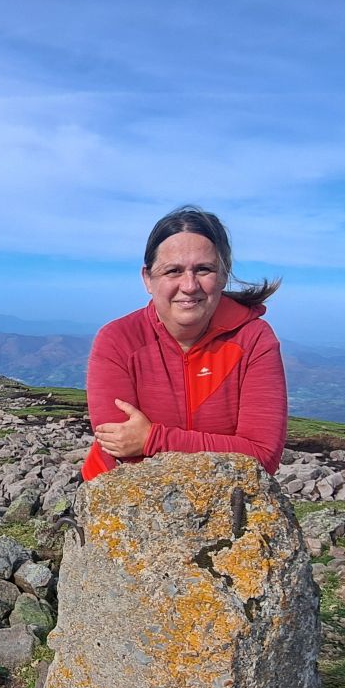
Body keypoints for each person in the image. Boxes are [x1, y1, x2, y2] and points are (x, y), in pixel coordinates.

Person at [83, 205, 287, 481]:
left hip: (223, 500)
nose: (190, 285)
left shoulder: (254, 339)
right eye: (173, 271)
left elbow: (262, 456)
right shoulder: (118, 340)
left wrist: (153, 439)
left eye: (203, 269)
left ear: (223, 276)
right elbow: (119, 446)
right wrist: (225, 450)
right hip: (120, 494)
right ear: (148, 279)